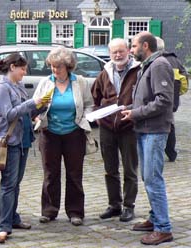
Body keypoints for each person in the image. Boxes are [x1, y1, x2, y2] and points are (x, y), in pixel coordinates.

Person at [122, 31, 174, 245]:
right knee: (148, 177)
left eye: (133, 46)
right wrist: (129, 108)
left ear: (145, 46)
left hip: (154, 130)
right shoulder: (149, 65)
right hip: (144, 129)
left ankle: (163, 228)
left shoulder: (160, 65)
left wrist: (135, 113)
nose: (131, 50)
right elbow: (147, 99)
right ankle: (155, 219)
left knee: (153, 179)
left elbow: (163, 101)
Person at [0, 53, 46, 244]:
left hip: (23, 140)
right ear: (12, 67)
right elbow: (9, 114)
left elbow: (26, 112)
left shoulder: (18, 86)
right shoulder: (0, 89)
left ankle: (13, 218)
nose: (24, 72)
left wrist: (40, 107)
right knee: (8, 184)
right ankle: (3, 226)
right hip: (9, 142)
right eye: (22, 69)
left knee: (16, 183)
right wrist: (31, 102)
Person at [32, 46, 93, 227]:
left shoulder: (79, 82)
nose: (55, 70)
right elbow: (35, 105)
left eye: (58, 67)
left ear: (68, 66)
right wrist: (37, 115)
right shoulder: (45, 83)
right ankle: (49, 211)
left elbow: (89, 104)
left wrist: (85, 118)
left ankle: (75, 212)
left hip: (74, 133)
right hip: (49, 133)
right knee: (50, 173)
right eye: (52, 66)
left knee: (74, 174)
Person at [91, 38, 140, 222]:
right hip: (107, 127)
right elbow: (95, 97)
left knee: (130, 168)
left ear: (128, 51)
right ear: (109, 54)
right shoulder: (104, 73)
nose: (118, 55)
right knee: (110, 168)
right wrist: (98, 113)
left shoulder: (138, 71)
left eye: (121, 51)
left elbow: (144, 97)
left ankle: (129, 206)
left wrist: (134, 110)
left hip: (129, 126)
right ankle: (114, 204)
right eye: (114, 52)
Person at [156, 37, 188, 162]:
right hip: (172, 100)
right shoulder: (174, 60)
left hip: (157, 100)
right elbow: (184, 79)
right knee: (170, 125)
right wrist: (177, 94)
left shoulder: (156, 61)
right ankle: (171, 152)